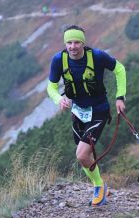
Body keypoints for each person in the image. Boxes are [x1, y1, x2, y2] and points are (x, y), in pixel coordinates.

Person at [47, 25, 126, 207]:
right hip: (77, 112)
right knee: (84, 156)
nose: (73, 46)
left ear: (83, 43)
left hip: (99, 111)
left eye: (76, 42)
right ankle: (99, 185)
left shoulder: (98, 56)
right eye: (69, 42)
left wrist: (120, 97)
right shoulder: (59, 60)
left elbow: (119, 69)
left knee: (81, 155)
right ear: (65, 43)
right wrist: (59, 99)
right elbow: (51, 86)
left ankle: (99, 186)